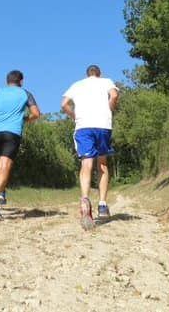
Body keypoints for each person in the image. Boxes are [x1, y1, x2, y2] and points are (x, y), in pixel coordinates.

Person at [61, 65, 119, 230]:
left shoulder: (77, 85)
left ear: (87, 75)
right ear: (99, 74)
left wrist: (74, 116)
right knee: (102, 164)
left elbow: (64, 104)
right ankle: (102, 204)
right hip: (103, 126)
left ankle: (85, 199)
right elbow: (114, 95)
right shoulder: (106, 81)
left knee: (86, 163)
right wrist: (111, 107)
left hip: (84, 126)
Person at [0, 70, 40, 220]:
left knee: (0, 167)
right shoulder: (25, 93)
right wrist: (25, 119)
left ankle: (0, 196)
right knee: (5, 166)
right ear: (21, 81)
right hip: (11, 132)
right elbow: (36, 113)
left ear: (7, 81)